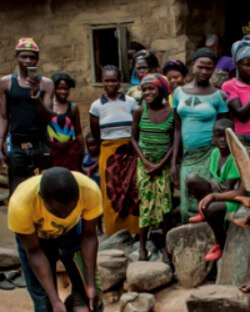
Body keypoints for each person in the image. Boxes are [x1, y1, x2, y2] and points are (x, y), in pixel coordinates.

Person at [8, 167, 103, 312]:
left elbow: (89, 236)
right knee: (46, 309)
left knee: (90, 302)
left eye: (70, 210)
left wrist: (90, 283)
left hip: (73, 235)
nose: (64, 215)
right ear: (43, 201)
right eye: (58, 212)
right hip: (37, 244)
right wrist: (54, 299)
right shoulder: (21, 204)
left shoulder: (89, 190)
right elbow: (34, 251)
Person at [172, 48, 229, 222]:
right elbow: (176, 128)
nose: (204, 71)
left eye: (209, 68)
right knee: (186, 206)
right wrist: (174, 161)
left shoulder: (218, 96)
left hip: (210, 154)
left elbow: (224, 128)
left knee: (207, 200)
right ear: (193, 66)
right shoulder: (178, 93)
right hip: (187, 156)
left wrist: (221, 160)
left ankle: (213, 241)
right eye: (201, 67)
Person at [130, 74, 180, 261]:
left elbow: (175, 140)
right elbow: (133, 138)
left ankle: (166, 249)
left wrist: (164, 163)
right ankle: (142, 247)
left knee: (165, 206)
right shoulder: (139, 111)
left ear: (162, 91)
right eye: (144, 89)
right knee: (145, 204)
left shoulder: (172, 112)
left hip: (163, 165)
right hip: (144, 165)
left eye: (152, 88)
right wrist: (145, 161)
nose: (147, 92)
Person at [0, 37, 55, 193]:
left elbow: (49, 117)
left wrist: (35, 95)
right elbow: (3, 116)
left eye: (32, 57)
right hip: (17, 146)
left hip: (41, 145)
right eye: (24, 56)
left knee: (43, 192)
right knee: (18, 192)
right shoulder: (5, 83)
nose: (28, 60)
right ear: (16, 58)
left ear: (38, 59)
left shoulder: (47, 84)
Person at [89, 65, 140, 236]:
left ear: (120, 82)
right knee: (112, 193)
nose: (111, 83)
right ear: (102, 82)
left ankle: (134, 231)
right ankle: (113, 233)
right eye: (107, 80)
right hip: (108, 152)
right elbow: (96, 134)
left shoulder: (131, 102)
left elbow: (136, 128)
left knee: (132, 191)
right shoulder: (96, 106)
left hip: (130, 151)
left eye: (114, 80)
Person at [186, 118, 244, 262]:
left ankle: (221, 243)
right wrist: (212, 181)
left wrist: (214, 193)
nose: (222, 140)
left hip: (233, 198)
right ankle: (204, 210)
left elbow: (229, 189)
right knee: (191, 179)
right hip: (217, 193)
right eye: (218, 136)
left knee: (212, 208)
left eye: (226, 136)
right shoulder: (215, 153)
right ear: (213, 136)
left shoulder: (235, 156)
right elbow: (213, 177)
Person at [48, 72, 85, 172]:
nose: (63, 91)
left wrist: (83, 153)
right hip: (54, 151)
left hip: (71, 151)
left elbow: (79, 132)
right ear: (53, 88)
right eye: (59, 88)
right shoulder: (48, 106)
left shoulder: (73, 107)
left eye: (66, 88)